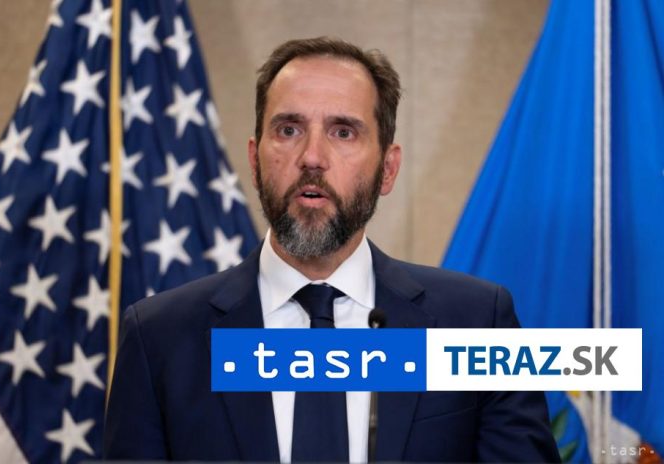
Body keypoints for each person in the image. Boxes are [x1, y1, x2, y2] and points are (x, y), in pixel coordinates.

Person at [104, 37, 560, 462]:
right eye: (288, 129)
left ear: (387, 169)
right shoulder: (159, 338)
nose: (312, 157)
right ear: (255, 161)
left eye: (343, 132)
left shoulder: (477, 322)